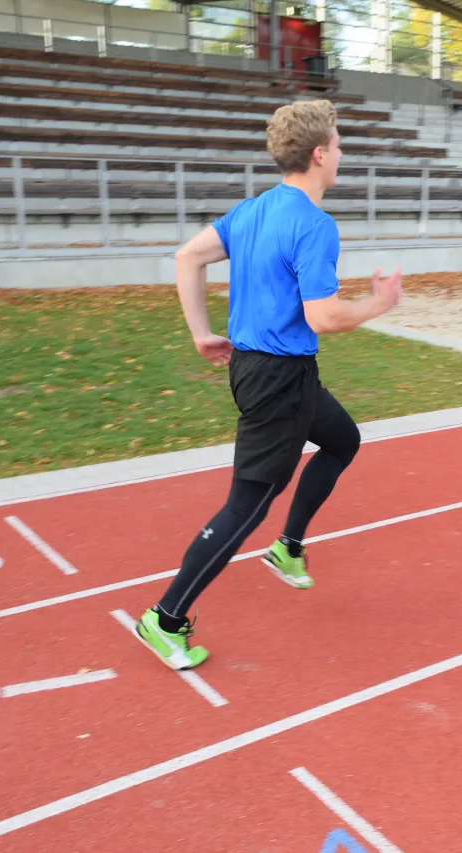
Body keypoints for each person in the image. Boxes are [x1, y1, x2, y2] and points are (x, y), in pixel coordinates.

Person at [133, 99, 403, 670]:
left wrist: (201, 334)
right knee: (246, 505)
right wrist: (379, 303)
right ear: (320, 153)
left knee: (342, 441)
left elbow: (187, 257)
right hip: (278, 380)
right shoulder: (313, 224)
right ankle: (166, 616)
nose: (342, 152)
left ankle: (289, 547)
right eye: (339, 142)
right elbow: (323, 317)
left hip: (268, 372)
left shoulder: (252, 212)